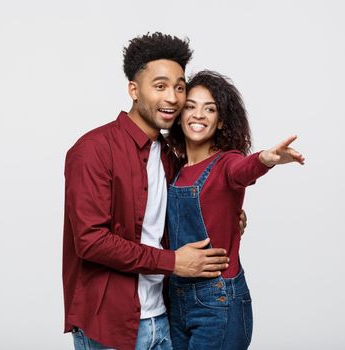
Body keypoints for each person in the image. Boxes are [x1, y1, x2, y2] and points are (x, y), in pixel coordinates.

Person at [63, 33, 244, 350]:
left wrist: (224, 217)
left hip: (166, 318)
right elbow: (91, 241)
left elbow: (177, 224)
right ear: (134, 89)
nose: (173, 98)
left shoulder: (170, 159)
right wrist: (172, 262)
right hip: (110, 325)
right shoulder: (93, 150)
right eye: (160, 86)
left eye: (178, 87)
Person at [166, 70, 305, 349]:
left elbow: (242, 170)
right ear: (180, 116)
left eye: (210, 109)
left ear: (220, 122)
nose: (198, 115)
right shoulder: (175, 171)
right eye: (190, 107)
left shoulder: (226, 162)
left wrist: (266, 159)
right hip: (175, 297)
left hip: (217, 301)